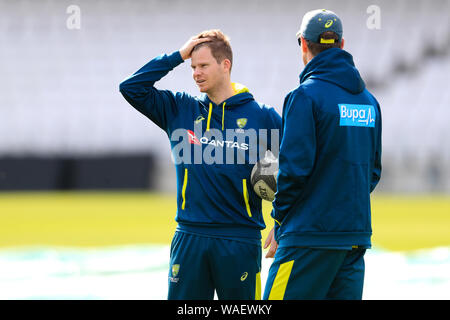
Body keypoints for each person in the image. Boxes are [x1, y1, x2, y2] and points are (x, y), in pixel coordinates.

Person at [119, 29, 281, 300]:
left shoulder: (263, 117)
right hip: (189, 236)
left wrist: (282, 219)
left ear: (225, 64)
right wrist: (178, 55)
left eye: (203, 65)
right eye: (193, 66)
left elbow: (295, 167)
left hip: (239, 239)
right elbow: (131, 88)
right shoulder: (179, 109)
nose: (195, 72)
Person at [263, 9, 382, 300]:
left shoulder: (304, 96)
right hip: (354, 238)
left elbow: (294, 171)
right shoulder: (370, 102)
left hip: (307, 238)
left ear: (303, 44)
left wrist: (279, 222)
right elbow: (373, 172)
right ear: (342, 45)